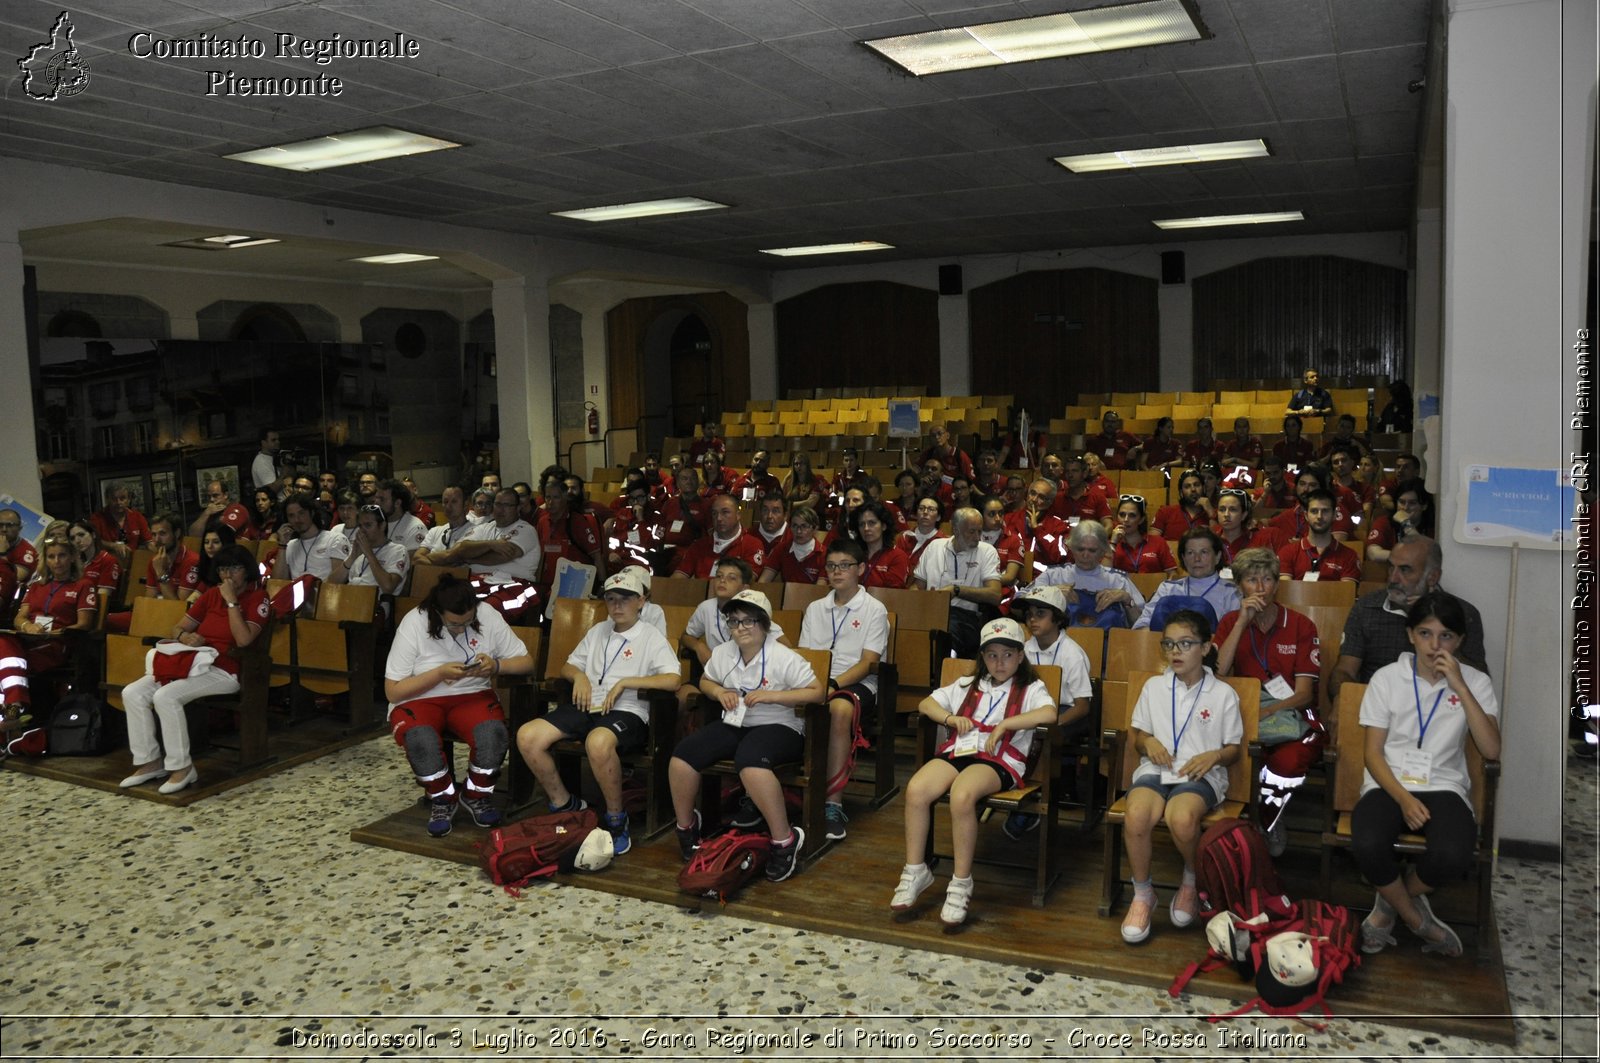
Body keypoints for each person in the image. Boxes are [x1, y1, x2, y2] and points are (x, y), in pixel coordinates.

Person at [1352, 592, 1499, 959]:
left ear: (1460, 641)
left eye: (1446, 636)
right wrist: (1404, 798)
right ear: (1410, 635)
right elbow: (1372, 754)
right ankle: (1418, 921)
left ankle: (1389, 904)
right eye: (1425, 634)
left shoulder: (1476, 682)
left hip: (1444, 784)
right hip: (1389, 783)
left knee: (1454, 852)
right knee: (1367, 843)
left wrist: (1460, 686)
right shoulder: (1387, 679)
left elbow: (1492, 750)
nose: (1435, 645)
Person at [890, 617, 1058, 926]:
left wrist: (1007, 724)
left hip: (1000, 760)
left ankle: (961, 881)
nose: (1000, 662)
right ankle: (916, 870)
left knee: (962, 794)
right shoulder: (968, 685)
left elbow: (1049, 712)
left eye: (1008, 654)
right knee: (916, 790)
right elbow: (927, 704)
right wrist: (950, 719)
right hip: (961, 752)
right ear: (982, 657)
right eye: (992, 654)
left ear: (1021, 656)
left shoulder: (1030, 687)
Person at [515, 569, 681, 855]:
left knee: (598, 741)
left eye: (626, 599)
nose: (617, 605)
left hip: (628, 710)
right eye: (612, 599)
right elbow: (569, 665)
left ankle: (616, 818)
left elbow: (673, 679)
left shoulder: (650, 636)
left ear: (641, 602)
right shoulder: (598, 631)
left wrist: (627, 682)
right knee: (527, 735)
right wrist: (579, 676)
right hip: (588, 706)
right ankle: (564, 804)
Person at [669, 589, 822, 880]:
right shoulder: (724, 652)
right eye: (734, 621)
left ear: (764, 625)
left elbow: (817, 692)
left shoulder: (782, 656)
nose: (741, 628)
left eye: (749, 621)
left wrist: (773, 697)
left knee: (751, 763)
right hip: (737, 722)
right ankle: (686, 827)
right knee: (683, 756)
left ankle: (785, 840)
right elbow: (705, 680)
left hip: (780, 725)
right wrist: (719, 692)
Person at [1119, 609, 1244, 944]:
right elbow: (1138, 735)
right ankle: (1143, 894)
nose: (1175, 651)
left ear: (1206, 648)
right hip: (1157, 770)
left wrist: (1215, 755)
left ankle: (1191, 880)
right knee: (1136, 815)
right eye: (1169, 644)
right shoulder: (1155, 687)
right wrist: (1148, 741)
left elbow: (1233, 748)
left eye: (1185, 643)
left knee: (1183, 818)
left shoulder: (1222, 694)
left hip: (1199, 773)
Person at [384, 575, 532, 836]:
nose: (462, 628)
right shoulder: (414, 622)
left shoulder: (487, 614)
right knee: (421, 740)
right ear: (437, 612)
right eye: (454, 623)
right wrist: (439, 674)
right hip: (420, 698)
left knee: (493, 735)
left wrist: (497, 666)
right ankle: (442, 797)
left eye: (469, 622)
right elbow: (393, 691)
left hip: (471, 694)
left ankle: (475, 794)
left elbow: (526, 662)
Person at [117, 545, 269, 795]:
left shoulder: (257, 597)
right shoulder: (210, 595)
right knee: (133, 692)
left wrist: (231, 602)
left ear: (247, 569)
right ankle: (150, 763)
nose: (227, 575)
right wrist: (186, 637)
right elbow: (177, 628)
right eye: (222, 569)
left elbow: (244, 641)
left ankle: (182, 768)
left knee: (165, 696)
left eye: (234, 568)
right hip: (192, 663)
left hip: (226, 670)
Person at [1213, 548, 1324, 855]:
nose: (1260, 587)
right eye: (1251, 579)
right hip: (1242, 714)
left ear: (1277, 584)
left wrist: (1264, 711)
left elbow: (1303, 694)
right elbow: (1217, 673)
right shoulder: (1230, 623)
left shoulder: (1301, 625)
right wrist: (1240, 624)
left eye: (1267, 579)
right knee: (1228, 750)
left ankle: (1269, 819)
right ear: (1239, 586)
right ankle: (1233, 828)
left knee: (1287, 761)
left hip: (1292, 716)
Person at [798, 539, 890, 843]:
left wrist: (834, 685)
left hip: (858, 684)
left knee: (838, 709)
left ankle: (832, 804)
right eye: (832, 566)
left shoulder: (875, 610)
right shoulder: (815, 608)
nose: (837, 572)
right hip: (818, 679)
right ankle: (787, 786)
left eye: (845, 566)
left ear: (861, 569)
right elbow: (806, 655)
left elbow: (868, 663)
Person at [1330, 536, 1487, 697]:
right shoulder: (1366, 608)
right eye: (1391, 567)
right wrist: (1341, 701)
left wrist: (1433, 622)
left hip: (1441, 709)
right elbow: (1344, 670)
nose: (1393, 578)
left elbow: (1479, 681)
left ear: (1432, 577)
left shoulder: (1464, 614)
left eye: (1405, 570)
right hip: (1377, 708)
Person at [999, 585, 1096, 838]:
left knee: (1038, 735)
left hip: (1067, 713)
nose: (1032, 619)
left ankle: (1034, 800)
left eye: (1040, 614)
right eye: (1029, 614)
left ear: (1058, 619)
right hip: (1033, 712)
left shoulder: (1072, 654)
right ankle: (1007, 787)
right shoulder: (1024, 650)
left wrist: (1052, 724)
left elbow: (1083, 706)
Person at [0, 538, 98, 720]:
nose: (57, 561)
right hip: (28, 640)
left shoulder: (83, 585)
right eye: (51, 557)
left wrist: (48, 634)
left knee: (4, 652)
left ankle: (13, 708)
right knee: (4, 642)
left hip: (56, 643)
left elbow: (84, 624)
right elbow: (19, 618)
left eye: (62, 555)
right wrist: (27, 626)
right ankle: (11, 708)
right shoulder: (37, 586)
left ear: (72, 558)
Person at [913, 506, 1002, 660]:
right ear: (955, 529)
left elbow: (995, 595)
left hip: (967, 616)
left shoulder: (987, 551)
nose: (977, 537)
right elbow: (917, 586)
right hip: (930, 611)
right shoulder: (935, 547)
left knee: (946, 627)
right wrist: (920, 600)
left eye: (980, 531)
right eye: (971, 532)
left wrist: (956, 590)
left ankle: (945, 669)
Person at [1035, 521, 1145, 628]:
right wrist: (1050, 593)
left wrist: (1126, 599)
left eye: (1092, 550)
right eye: (1080, 549)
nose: (1085, 555)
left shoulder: (1118, 580)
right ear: (1071, 548)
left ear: (1103, 551)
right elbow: (1020, 604)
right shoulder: (1053, 576)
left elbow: (1142, 625)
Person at [1133, 527, 1241, 630]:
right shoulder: (1167, 589)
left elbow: (1233, 635)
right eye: (1190, 553)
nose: (1197, 559)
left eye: (1204, 552)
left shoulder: (1231, 592)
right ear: (1183, 558)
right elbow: (1141, 625)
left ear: (1217, 557)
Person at [672, 493, 765, 579]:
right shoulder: (699, 546)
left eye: (725, 512)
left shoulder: (752, 544)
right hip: (700, 595)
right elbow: (678, 578)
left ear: (738, 515)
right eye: (714, 513)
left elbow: (747, 580)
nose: (719, 518)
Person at [1275, 490, 1361, 582]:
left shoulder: (1349, 556)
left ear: (1334, 515)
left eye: (1325, 511)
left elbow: (1346, 593)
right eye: (1314, 511)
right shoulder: (1287, 552)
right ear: (1306, 515)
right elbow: (1285, 591)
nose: (1319, 516)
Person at [328, 503, 409, 597]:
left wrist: (369, 554)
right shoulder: (358, 549)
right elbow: (331, 583)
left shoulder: (398, 550)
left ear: (382, 525)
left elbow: (388, 587)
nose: (362, 530)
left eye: (368, 525)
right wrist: (352, 556)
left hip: (376, 605)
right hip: (350, 600)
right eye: (360, 526)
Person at [270, 493, 349, 582]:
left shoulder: (335, 539)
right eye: (291, 516)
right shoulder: (290, 545)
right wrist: (282, 546)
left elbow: (338, 582)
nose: (297, 520)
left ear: (312, 513)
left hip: (324, 592)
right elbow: (277, 582)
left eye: (301, 513)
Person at [1108, 495, 1176, 576]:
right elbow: (1102, 576)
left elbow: (1172, 575)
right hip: (1120, 588)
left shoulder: (1158, 542)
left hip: (1153, 587)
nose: (1126, 519)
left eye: (1132, 515)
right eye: (1122, 514)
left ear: (1141, 519)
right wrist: (1113, 544)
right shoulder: (1110, 545)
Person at [760, 504, 825, 584]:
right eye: (795, 526)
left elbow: (820, 590)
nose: (798, 531)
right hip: (786, 595)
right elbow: (763, 581)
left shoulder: (823, 553)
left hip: (813, 595)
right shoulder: (781, 548)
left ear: (815, 529)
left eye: (804, 526)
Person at [852, 501, 912, 589]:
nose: (866, 528)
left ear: (884, 526)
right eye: (862, 524)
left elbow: (893, 593)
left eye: (871, 523)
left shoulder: (897, 556)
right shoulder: (853, 554)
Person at [1214, 488, 1278, 565]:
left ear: (1244, 515)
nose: (1226, 514)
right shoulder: (1209, 539)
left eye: (1233, 510)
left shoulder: (1258, 540)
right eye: (1222, 509)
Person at [1151, 470, 1213, 542]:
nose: (1193, 489)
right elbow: (1152, 545)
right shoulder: (1165, 512)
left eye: (1197, 485)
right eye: (1187, 486)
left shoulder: (1215, 513)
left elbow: (1218, 543)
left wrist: (1211, 513)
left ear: (1204, 489)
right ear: (1181, 492)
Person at [68, 518, 122, 598]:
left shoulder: (107, 560)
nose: (77, 540)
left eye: (81, 535)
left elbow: (103, 598)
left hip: (94, 606)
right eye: (72, 538)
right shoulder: (75, 561)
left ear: (93, 535)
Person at [897, 497, 946, 568]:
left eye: (931, 509)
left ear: (938, 517)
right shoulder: (905, 537)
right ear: (916, 514)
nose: (925, 512)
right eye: (921, 508)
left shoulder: (943, 542)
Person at [251, 427, 281, 491]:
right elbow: (272, 489)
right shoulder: (261, 461)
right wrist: (285, 473)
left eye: (278, 439)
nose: (278, 442)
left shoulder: (278, 456)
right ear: (263, 443)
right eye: (273, 440)